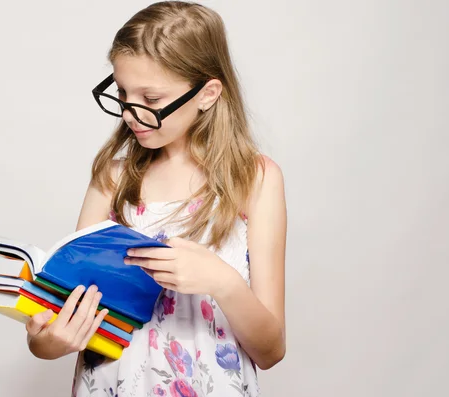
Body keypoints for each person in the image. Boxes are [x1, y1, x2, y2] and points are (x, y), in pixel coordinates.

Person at [25, 1, 287, 396]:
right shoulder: (113, 178)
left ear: (208, 93)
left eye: (150, 99)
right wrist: (48, 340)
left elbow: (271, 351)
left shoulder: (255, 179)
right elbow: (59, 322)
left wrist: (222, 282)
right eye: (123, 92)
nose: (130, 113)